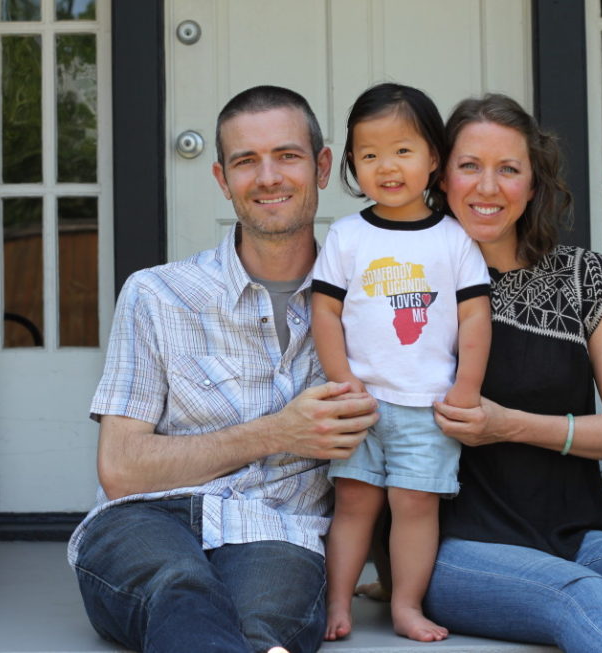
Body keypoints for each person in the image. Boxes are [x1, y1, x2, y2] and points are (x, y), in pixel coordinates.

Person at [407, 93, 602, 652]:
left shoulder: (586, 279)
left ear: (533, 185)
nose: (487, 188)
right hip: (454, 547)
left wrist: (507, 424)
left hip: (578, 534)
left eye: (508, 169)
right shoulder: (408, 283)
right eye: (469, 166)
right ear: (440, 177)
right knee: (582, 595)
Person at [67, 85, 379, 653]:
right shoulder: (157, 294)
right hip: (148, 519)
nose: (267, 177)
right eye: (245, 161)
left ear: (323, 166)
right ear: (221, 179)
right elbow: (120, 468)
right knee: (178, 587)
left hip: (278, 530)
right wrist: (278, 432)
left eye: (287, 156)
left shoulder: (368, 302)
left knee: (264, 628)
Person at [311, 83, 491, 643]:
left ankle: (406, 605)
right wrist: (341, 382)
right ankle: (337, 601)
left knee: (415, 507)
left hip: (426, 406)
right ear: (351, 165)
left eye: (403, 151)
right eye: (369, 155)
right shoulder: (346, 236)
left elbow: (475, 321)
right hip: (360, 403)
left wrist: (466, 388)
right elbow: (325, 313)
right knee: (353, 504)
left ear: (434, 157)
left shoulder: (455, 240)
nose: (386, 166)